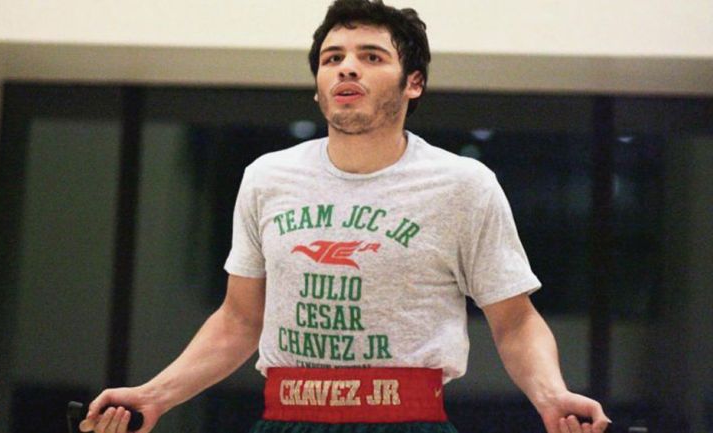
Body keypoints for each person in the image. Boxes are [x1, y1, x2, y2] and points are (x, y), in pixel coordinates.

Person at [80, 1, 612, 433]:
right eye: (332, 58)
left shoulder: (462, 185)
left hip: (408, 420)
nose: (347, 66)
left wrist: (552, 396)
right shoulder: (268, 178)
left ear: (414, 83)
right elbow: (240, 319)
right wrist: (155, 395)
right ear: (318, 86)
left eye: (372, 56)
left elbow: (515, 321)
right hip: (286, 416)